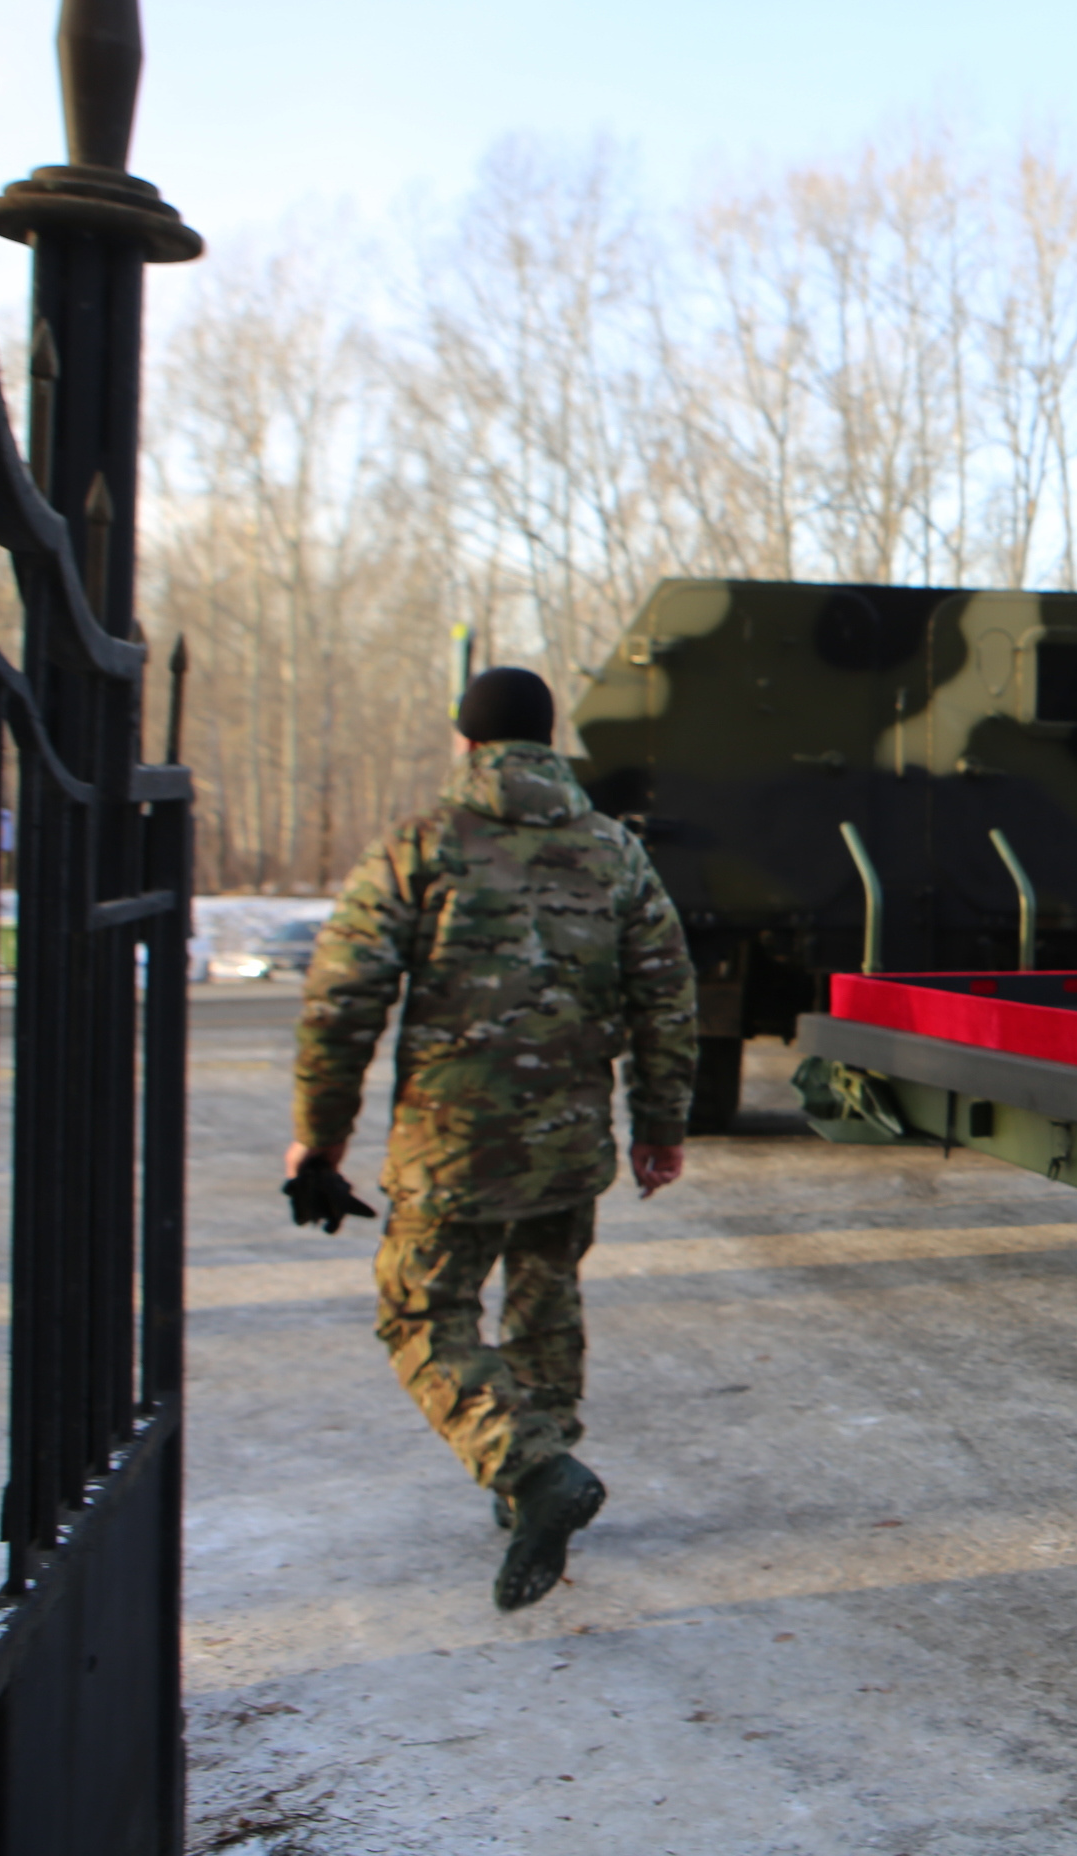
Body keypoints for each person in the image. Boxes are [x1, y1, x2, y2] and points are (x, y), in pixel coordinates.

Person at [287, 667, 698, 1611]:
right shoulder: (613, 852)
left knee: (420, 1314)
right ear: (548, 744)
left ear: (466, 743)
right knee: (544, 1304)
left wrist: (319, 1139)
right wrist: (661, 1125)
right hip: (569, 1143)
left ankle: (530, 1471)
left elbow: (342, 1001)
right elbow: (666, 996)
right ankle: (536, 1490)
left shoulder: (421, 846)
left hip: (452, 1145)